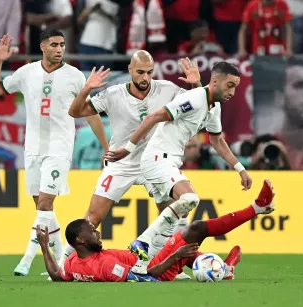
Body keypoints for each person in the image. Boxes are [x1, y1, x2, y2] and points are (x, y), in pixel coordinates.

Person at [65, 51, 202, 280]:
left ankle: (171, 267)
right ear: (130, 70)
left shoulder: (167, 89)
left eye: (149, 72)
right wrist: (87, 88)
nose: (145, 77)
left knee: (175, 213)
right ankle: (64, 265)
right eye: (140, 72)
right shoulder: (113, 94)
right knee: (93, 217)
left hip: (155, 160)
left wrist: (197, 84)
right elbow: (75, 111)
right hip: (121, 161)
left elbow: (199, 103)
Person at [105, 61, 253, 273]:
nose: (233, 91)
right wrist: (128, 149)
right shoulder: (193, 99)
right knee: (190, 199)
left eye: (236, 87)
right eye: (229, 85)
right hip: (157, 159)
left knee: (178, 223)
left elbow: (217, 141)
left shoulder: (214, 108)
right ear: (214, 81)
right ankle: (143, 241)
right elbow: (154, 116)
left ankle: (144, 268)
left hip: (169, 161)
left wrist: (240, 168)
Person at [0, 30, 109, 277]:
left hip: (59, 147)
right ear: (42, 46)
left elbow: (91, 112)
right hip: (32, 148)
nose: (59, 49)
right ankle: (63, 264)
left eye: (62, 44)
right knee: (42, 209)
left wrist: (107, 148)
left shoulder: (75, 76)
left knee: (45, 203)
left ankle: (27, 259)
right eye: (54, 44)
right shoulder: (27, 72)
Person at [37, 179, 275, 282]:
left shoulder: (72, 265)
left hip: (136, 253)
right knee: (195, 230)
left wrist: (45, 246)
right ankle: (256, 208)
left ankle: (225, 269)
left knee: (176, 234)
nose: (97, 232)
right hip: (152, 266)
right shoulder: (106, 267)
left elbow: (57, 276)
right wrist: (174, 257)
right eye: (92, 230)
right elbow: (146, 276)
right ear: (80, 239)